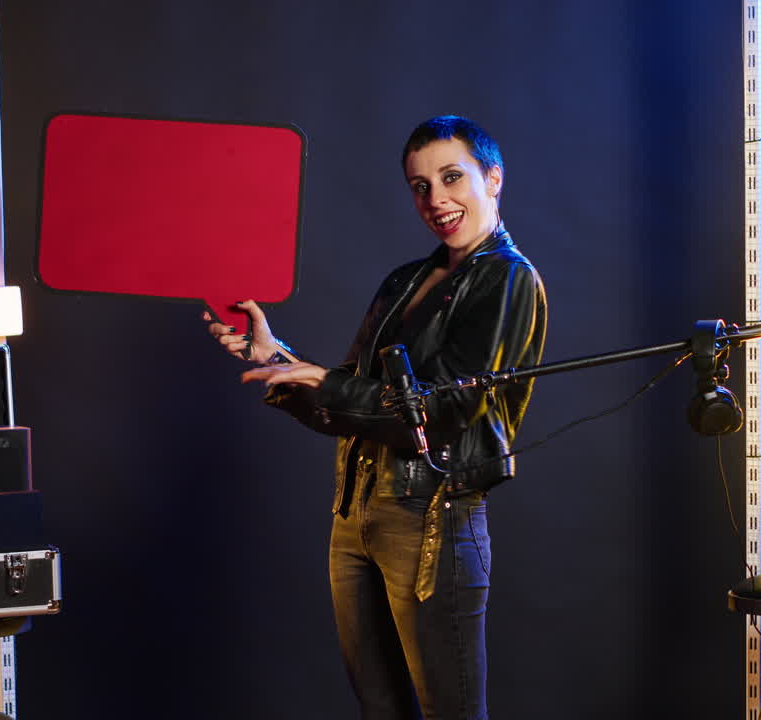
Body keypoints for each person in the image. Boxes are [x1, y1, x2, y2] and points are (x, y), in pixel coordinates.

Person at [205, 115, 547, 720]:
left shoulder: (509, 279)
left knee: (452, 711)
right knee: (381, 708)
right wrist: (275, 357)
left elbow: (443, 410)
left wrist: (321, 380)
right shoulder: (406, 280)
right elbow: (350, 402)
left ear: (492, 179)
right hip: (355, 512)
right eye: (420, 186)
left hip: (433, 521)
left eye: (451, 177)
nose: (436, 199)